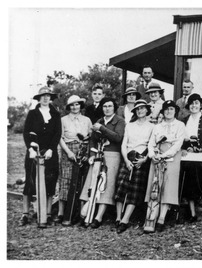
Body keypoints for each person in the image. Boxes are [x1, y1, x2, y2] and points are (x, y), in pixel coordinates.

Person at [79, 97, 125, 228]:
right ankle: (86, 214)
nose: (107, 109)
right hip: (98, 154)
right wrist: (92, 154)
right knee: (91, 182)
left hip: (112, 155)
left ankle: (98, 217)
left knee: (106, 185)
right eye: (105, 106)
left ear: (114, 108)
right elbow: (93, 139)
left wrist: (103, 129)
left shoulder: (120, 121)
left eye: (110, 106)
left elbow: (118, 137)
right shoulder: (99, 121)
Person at [20, 86, 62, 227]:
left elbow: (57, 133)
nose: (45, 98)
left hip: (50, 153)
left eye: (48, 96)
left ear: (50, 98)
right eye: (43, 96)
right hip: (34, 151)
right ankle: (25, 214)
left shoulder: (55, 114)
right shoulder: (32, 113)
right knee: (30, 182)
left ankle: (47, 214)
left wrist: (51, 149)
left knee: (50, 183)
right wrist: (30, 149)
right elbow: (26, 132)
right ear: (39, 98)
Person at [144, 100, 186, 232]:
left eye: (171, 109)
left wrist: (165, 155)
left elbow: (178, 144)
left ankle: (162, 217)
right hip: (157, 156)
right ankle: (152, 217)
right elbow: (151, 143)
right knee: (155, 186)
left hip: (171, 157)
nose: (169, 112)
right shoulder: (157, 126)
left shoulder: (180, 125)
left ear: (175, 112)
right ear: (163, 111)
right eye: (166, 109)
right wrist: (152, 155)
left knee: (168, 185)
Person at [114, 100, 154, 234]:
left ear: (147, 110)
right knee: (121, 186)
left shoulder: (152, 127)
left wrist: (144, 159)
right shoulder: (129, 126)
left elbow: (151, 146)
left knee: (134, 190)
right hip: (128, 157)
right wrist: (125, 160)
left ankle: (125, 220)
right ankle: (118, 218)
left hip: (141, 158)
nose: (140, 111)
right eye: (137, 109)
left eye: (143, 108)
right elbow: (124, 144)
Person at [55, 95, 92, 224]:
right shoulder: (63, 120)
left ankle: (77, 212)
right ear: (68, 107)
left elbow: (90, 137)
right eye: (72, 105)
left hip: (83, 150)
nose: (75, 107)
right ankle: (61, 213)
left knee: (80, 181)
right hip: (68, 150)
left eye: (77, 104)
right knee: (65, 180)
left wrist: (86, 152)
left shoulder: (87, 120)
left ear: (80, 106)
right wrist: (69, 152)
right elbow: (59, 138)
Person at [181, 94, 202, 222]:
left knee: (198, 180)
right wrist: (184, 148)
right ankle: (191, 212)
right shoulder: (184, 119)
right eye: (191, 104)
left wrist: (199, 149)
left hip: (201, 153)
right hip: (187, 154)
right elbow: (181, 137)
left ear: (200, 105)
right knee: (187, 180)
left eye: (196, 103)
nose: (194, 106)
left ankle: (197, 209)